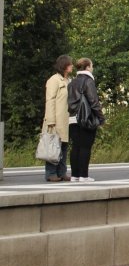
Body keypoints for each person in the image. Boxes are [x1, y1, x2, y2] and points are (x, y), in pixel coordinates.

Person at [67, 57, 104, 182]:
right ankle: (84, 175)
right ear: (87, 67)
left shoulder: (72, 82)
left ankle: (74, 175)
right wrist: (101, 117)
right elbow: (93, 101)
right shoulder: (88, 81)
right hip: (85, 118)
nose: (92, 68)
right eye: (91, 66)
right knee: (85, 146)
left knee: (76, 147)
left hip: (72, 118)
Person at [42, 54, 73, 182]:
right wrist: (50, 120)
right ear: (64, 66)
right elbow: (50, 100)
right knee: (53, 145)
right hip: (55, 119)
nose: (72, 66)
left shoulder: (69, 80)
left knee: (64, 146)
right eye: (70, 64)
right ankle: (50, 173)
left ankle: (62, 172)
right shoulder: (54, 80)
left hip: (66, 119)